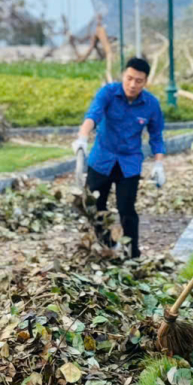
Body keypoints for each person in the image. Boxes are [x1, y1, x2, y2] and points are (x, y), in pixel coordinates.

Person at [73, 57, 165, 258]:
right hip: (101, 159)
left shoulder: (151, 104)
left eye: (138, 81)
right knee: (94, 206)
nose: (133, 85)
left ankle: (132, 253)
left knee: (127, 209)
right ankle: (105, 244)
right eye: (129, 78)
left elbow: (156, 136)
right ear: (123, 75)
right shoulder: (108, 93)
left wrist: (159, 164)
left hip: (129, 163)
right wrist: (82, 137)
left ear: (145, 82)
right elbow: (93, 116)